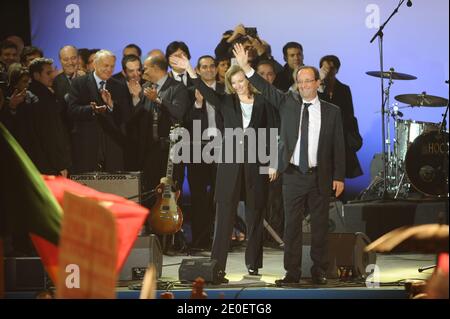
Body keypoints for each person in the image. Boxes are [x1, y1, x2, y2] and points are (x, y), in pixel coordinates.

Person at [233, 43, 345, 285]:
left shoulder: (332, 111)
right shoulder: (287, 102)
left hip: (320, 176)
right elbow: (264, 85)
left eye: (308, 81)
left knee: (319, 228)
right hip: (293, 175)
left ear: (317, 83)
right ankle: (291, 273)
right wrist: (245, 66)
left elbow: (339, 147)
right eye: (300, 81)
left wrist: (339, 176)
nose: (304, 85)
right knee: (291, 227)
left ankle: (319, 271)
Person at [170, 53, 277, 283]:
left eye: (241, 80)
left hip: (256, 164)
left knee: (255, 215)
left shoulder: (263, 103)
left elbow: (272, 134)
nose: (238, 85)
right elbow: (205, 90)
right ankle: (217, 266)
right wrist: (190, 69)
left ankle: (254, 265)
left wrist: (273, 162)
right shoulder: (226, 101)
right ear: (230, 84)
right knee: (224, 217)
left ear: (248, 80)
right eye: (234, 82)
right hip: (229, 165)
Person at [318, 55, 363, 180]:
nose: (328, 71)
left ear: (336, 70)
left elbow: (349, 113)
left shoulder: (344, 89)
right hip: (321, 134)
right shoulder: (316, 88)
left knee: (339, 171)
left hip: (340, 133)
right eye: (325, 68)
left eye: (331, 68)